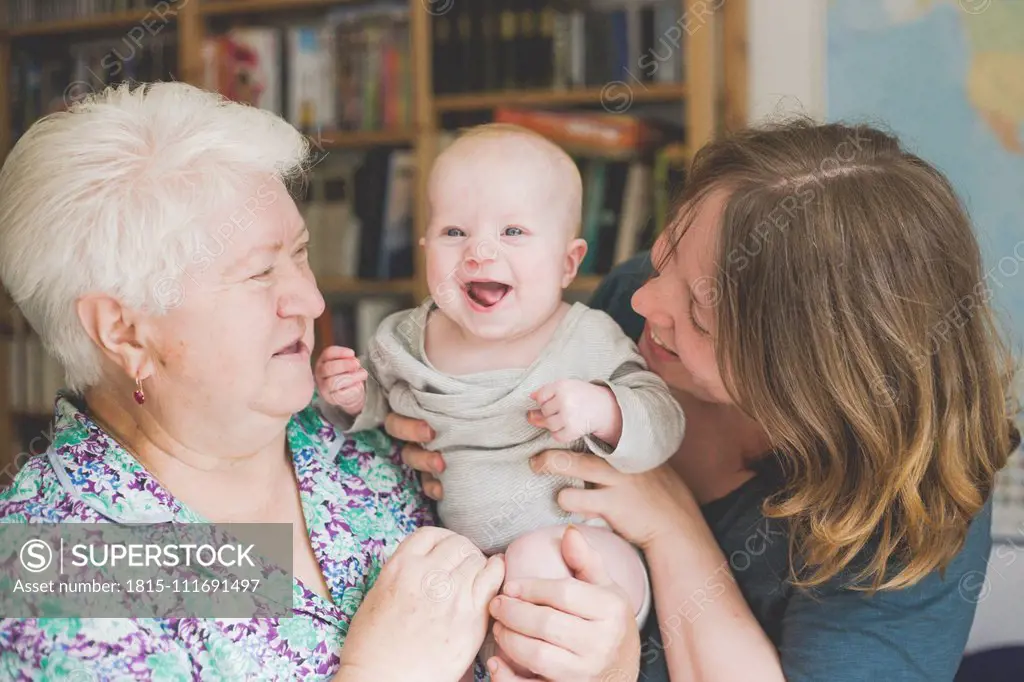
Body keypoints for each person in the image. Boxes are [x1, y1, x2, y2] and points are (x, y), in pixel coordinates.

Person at [0, 81, 639, 681]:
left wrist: (608, 663)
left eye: (301, 254)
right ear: (124, 332)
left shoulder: (378, 434)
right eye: (258, 275)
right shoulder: (61, 560)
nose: (308, 299)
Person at [393, 118, 1022, 681]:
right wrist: (418, 430)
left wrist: (669, 527)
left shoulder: (909, 513)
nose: (641, 302)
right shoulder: (622, 308)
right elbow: (285, 603)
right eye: (662, 257)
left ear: (803, 375)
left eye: (697, 313)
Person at [314, 123, 685, 676]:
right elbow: (377, 412)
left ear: (568, 262)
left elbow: (663, 418)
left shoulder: (589, 339)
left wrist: (604, 409)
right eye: (454, 232)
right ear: (425, 250)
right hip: (482, 569)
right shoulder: (404, 340)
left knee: (532, 563)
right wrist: (347, 396)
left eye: (513, 231)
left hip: (590, 561)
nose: (480, 252)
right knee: (432, 600)